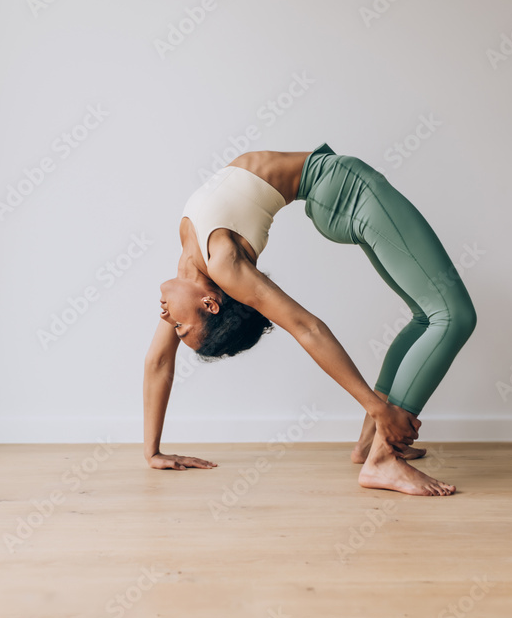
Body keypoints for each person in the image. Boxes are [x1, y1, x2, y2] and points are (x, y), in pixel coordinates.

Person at [144, 143, 476, 496]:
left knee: (428, 316)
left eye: (177, 328)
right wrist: (377, 407)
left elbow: (158, 360)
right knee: (454, 316)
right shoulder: (222, 263)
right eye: (179, 326)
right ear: (210, 305)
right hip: (350, 190)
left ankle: (371, 444)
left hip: (333, 194)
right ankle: (384, 459)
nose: (166, 318)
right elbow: (307, 327)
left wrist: (152, 452)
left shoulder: (191, 264)